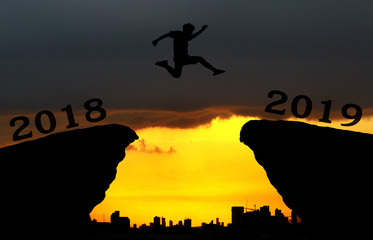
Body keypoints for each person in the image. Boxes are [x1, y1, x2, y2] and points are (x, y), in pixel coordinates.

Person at [152, 23, 225, 78]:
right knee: (200, 59)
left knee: (177, 75)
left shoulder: (185, 36)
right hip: (181, 58)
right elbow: (167, 35)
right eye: (191, 31)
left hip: (181, 58)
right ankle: (214, 70)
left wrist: (201, 30)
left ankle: (165, 65)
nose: (191, 33)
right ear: (187, 30)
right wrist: (157, 40)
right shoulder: (178, 34)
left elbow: (192, 37)